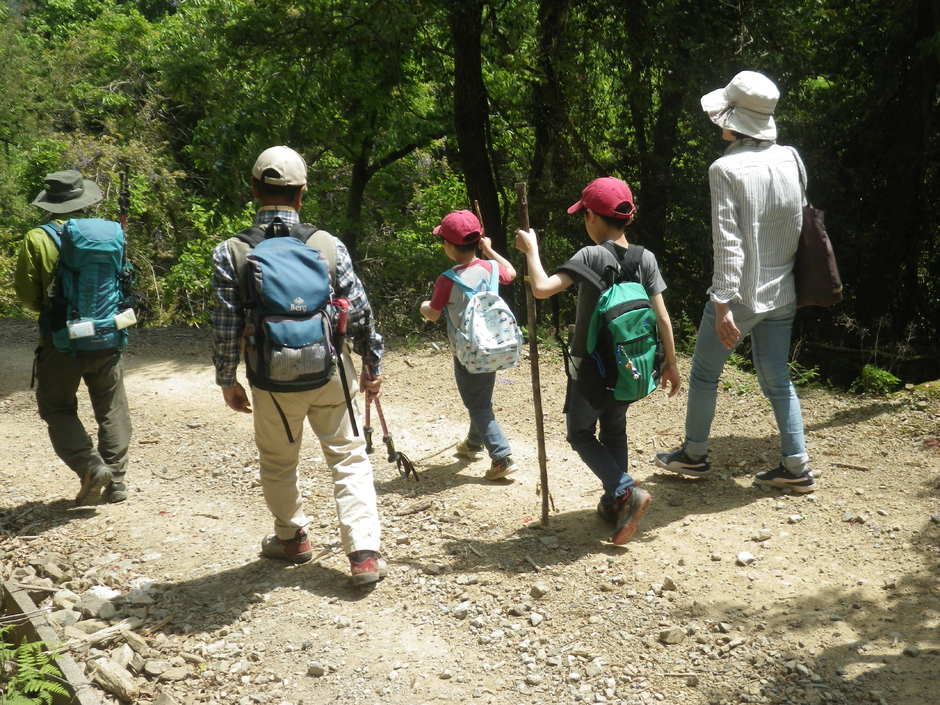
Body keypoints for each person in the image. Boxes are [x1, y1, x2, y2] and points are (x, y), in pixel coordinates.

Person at [211, 146, 387, 585]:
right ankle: (363, 553)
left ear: (253, 190)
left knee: (277, 461)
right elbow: (359, 309)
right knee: (348, 458)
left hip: (270, 378)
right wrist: (371, 363)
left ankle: (292, 538)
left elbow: (225, 323)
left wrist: (226, 378)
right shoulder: (327, 246)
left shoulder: (231, 252)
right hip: (331, 372)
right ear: (302, 193)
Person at [655, 70, 815, 493]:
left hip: (741, 294)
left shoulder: (724, 169)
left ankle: (693, 454)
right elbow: (798, 225)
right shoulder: (791, 158)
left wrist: (722, 303)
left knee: (705, 373)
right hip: (783, 290)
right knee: (777, 377)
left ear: (731, 118)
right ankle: (796, 466)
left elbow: (728, 245)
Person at [515, 177, 681, 544]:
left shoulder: (590, 256)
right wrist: (671, 363)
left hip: (591, 370)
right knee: (614, 428)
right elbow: (663, 317)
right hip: (632, 368)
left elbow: (541, 288)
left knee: (579, 433)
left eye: (584, 214)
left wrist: (531, 250)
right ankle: (614, 503)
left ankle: (624, 489)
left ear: (592, 216)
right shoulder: (645, 258)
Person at [14, 170, 132, 505]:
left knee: (57, 407)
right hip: (108, 334)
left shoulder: (37, 238)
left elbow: (26, 294)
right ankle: (117, 479)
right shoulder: (109, 234)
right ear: (84, 200)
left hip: (62, 339)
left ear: (50, 202)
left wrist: (51, 310)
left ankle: (90, 466)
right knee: (111, 406)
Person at [419, 210, 519, 480]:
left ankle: (501, 456)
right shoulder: (492, 268)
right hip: (494, 347)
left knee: (477, 404)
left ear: (450, 246)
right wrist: (491, 251)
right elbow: (512, 272)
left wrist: (423, 306)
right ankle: (473, 444)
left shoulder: (448, 279)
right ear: (477, 242)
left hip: (467, 353)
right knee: (481, 399)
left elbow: (434, 313)